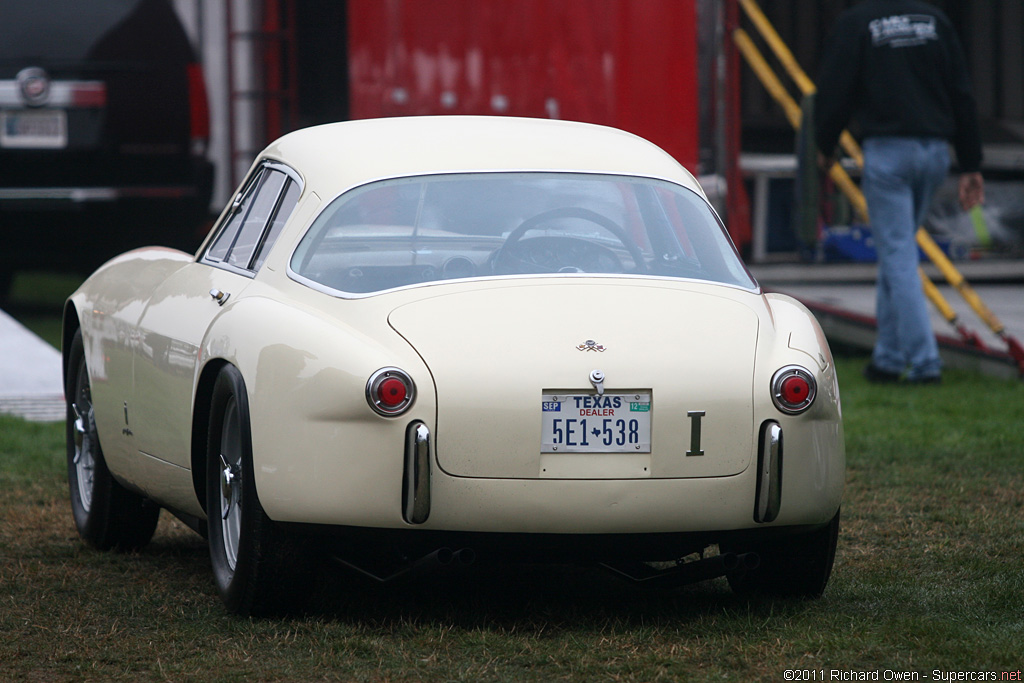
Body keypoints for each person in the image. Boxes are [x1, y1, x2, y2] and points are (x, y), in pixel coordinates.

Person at [815, 0, 985, 384]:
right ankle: (888, 358)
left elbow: (834, 90)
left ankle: (926, 362)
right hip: (935, 153)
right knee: (900, 250)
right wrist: (971, 162)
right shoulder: (935, 19)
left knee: (897, 255)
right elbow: (962, 92)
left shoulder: (857, 22)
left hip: (889, 152)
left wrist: (825, 146)